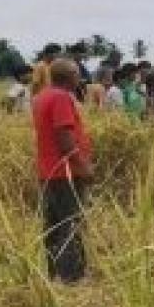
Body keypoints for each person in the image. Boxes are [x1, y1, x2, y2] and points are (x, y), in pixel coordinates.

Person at [32, 58, 93, 283]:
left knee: (54, 224)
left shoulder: (43, 96)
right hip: (65, 172)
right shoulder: (61, 98)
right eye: (77, 74)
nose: (79, 78)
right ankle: (72, 277)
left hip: (48, 171)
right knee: (71, 223)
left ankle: (53, 273)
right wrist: (83, 166)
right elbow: (65, 139)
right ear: (70, 77)